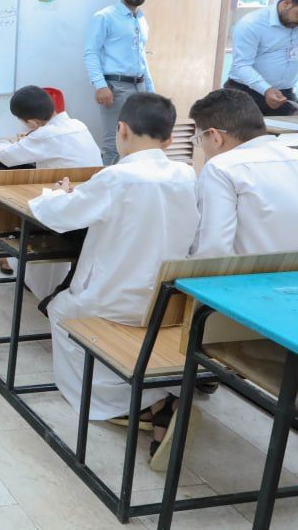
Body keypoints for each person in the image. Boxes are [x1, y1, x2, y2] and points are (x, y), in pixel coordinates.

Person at [29, 94, 198, 469]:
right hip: (168, 303)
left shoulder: (116, 177)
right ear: (170, 139)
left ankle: (129, 404)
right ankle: (160, 399)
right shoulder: (187, 174)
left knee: (60, 311)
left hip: (112, 300)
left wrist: (50, 195)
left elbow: (61, 215)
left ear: (121, 130)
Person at [189, 88, 298, 257]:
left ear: (215, 136)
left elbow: (213, 249)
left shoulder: (221, 168)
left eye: (200, 139)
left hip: (267, 274)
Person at [0, 85, 103, 293]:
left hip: (63, 216)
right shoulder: (78, 125)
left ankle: (8, 256)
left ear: (32, 123)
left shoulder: (44, 136)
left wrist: (4, 143)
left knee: (10, 198)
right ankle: (12, 261)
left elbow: (5, 156)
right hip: (90, 212)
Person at [85, 0, 155, 164]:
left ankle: (131, 180)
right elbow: (91, 52)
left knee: (139, 140)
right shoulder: (105, 16)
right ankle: (109, 182)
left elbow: (142, 56)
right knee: (114, 143)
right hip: (116, 88)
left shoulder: (140, 18)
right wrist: (100, 85)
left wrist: (150, 91)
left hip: (140, 86)